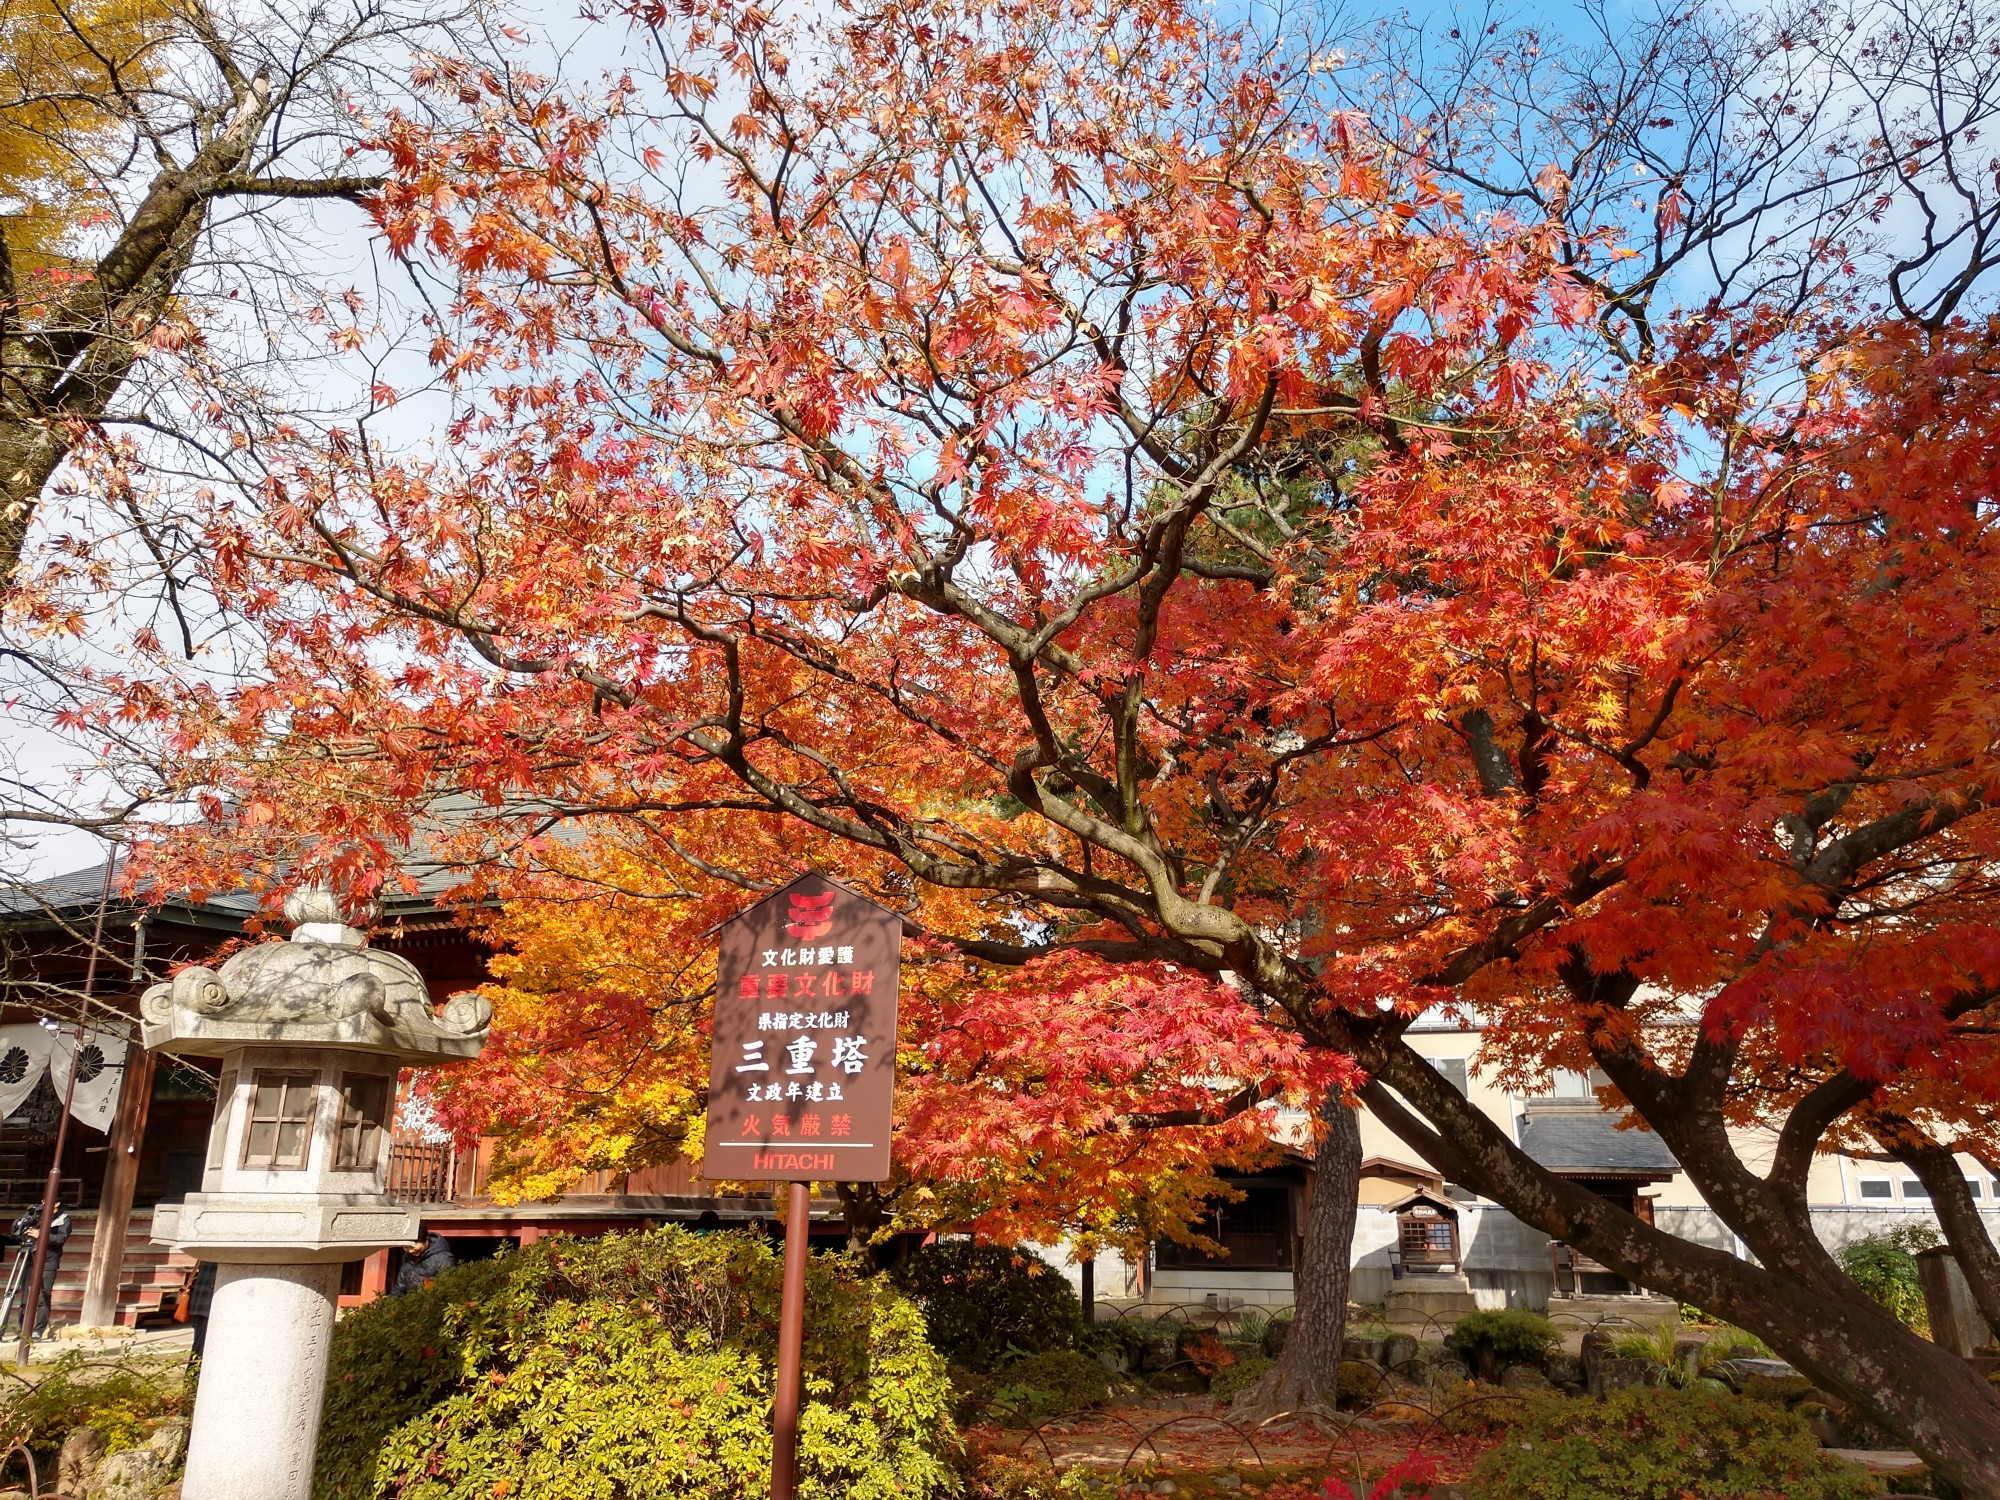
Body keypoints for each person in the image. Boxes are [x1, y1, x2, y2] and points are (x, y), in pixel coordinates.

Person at [5, 1203, 71, 1337]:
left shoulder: (63, 1218)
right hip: (29, 1257)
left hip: (48, 1260)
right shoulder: (36, 1215)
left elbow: (61, 1239)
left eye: (46, 1199)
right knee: (25, 1297)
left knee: (43, 1295)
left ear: (57, 1203)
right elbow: (17, 1231)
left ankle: (38, 1330)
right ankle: (23, 1329)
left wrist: (41, 1234)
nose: (43, 1202)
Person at [390, 1231, 456, 1296]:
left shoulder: (444, 1258)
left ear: (424, 1239)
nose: (410, 1251)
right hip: (410, 1304)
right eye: (406, 1247)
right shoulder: (407, 1257)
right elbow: (399, 1287)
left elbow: (447, 1289)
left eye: (412, 1246)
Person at [185, 1260, 217, 1358]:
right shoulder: (220, 1257)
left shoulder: (207, 1254)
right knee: (201, 1348)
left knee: (200, 1346)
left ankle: (195, 1371)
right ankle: (195, 1373)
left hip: (199, 1304)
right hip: (207, 1306)